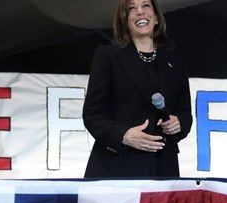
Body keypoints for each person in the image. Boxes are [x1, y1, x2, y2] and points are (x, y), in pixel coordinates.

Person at [82, 0, 192, 178]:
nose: (140, 12)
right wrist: (123, 136)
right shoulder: (107, 55)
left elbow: (185, 112)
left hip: (163, 167)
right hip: (118, 166)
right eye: (132, 9)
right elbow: (92, 115)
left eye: (146, 6)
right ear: (125, 21)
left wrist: (178, 124)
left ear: (156, 18)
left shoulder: (176, 59)